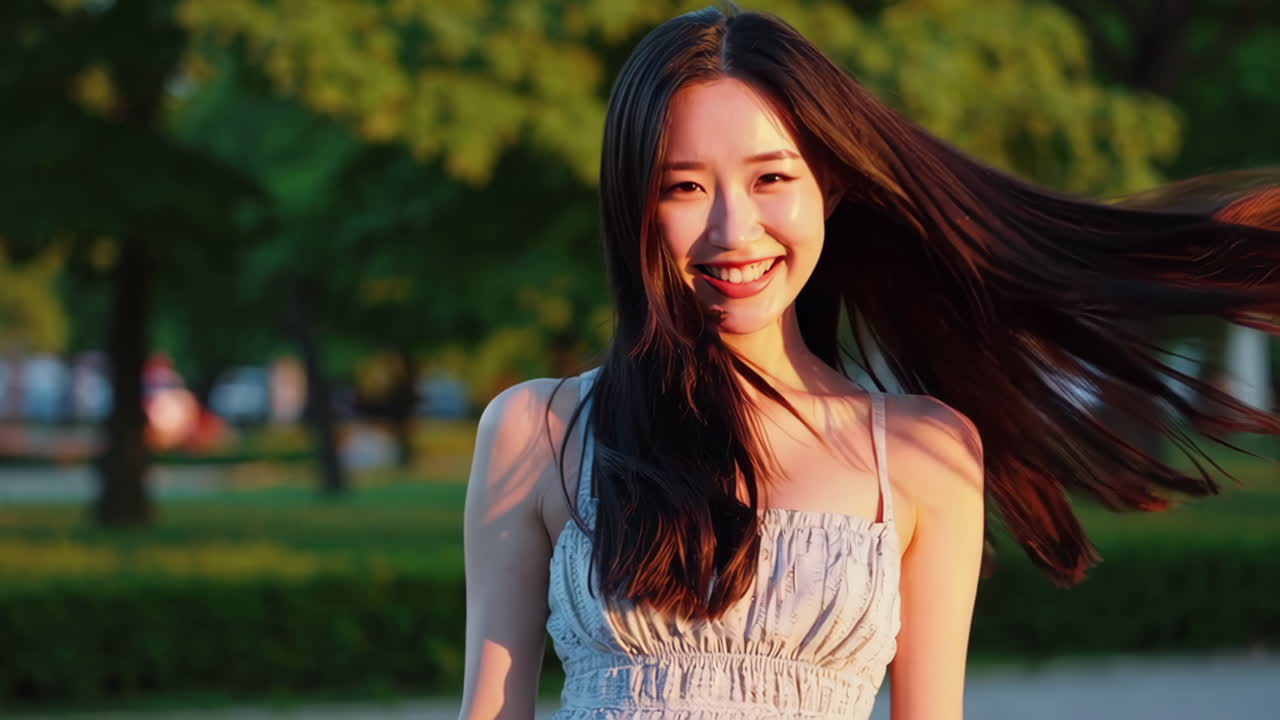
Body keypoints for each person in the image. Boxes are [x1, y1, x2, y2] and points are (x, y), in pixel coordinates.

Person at [459, 5, 1280, 720]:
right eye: (684, 188)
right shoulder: (543, 430)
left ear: (831, 185)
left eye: (771, 177)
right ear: (633, 204)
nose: (732, 232)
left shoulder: (922, 454)